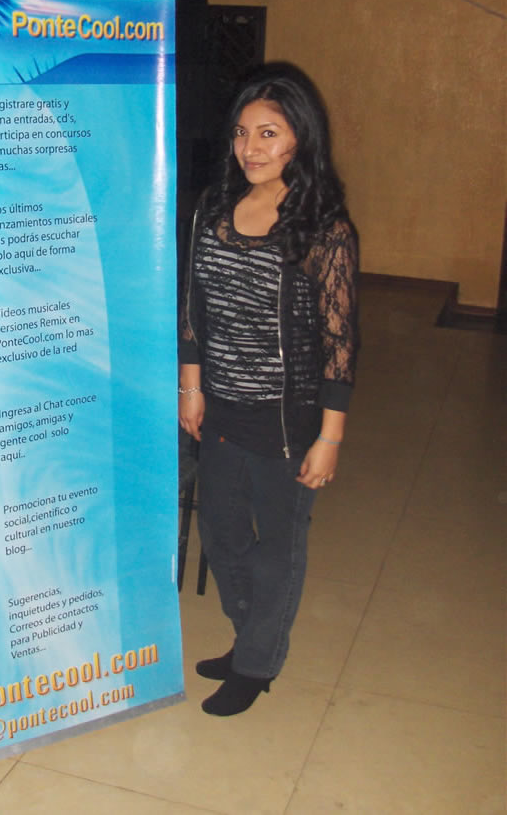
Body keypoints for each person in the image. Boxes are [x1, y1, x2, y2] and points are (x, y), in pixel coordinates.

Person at [178, 62, 359, 717]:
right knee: (222, 532)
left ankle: (256, 661)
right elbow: (194, 305)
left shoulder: (323, 227)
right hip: (221, 406)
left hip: (287, 418)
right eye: (241, 132)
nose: (250, 148)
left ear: (299, 139)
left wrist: (330, 436)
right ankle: (252, 632)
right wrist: (191, 384)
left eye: (268, 133)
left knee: (278, 545)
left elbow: (340, 341)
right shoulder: (214, 208)